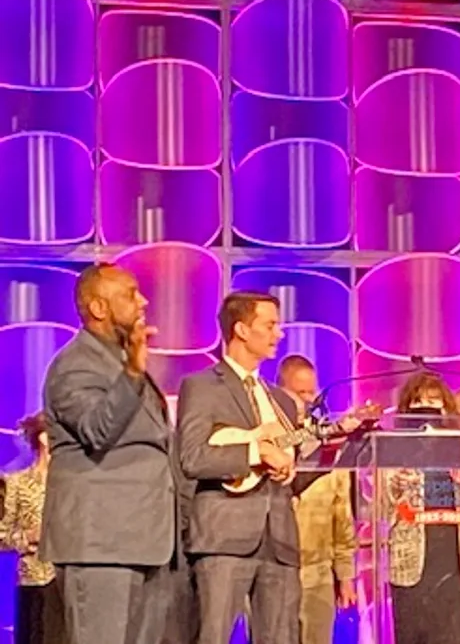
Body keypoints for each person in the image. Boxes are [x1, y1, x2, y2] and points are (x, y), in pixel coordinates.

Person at [40, 262, 181, 644]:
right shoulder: (73, 366)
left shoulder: (120, 362)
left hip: (146, 541)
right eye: (130, 294)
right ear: (99, 308)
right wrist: (133, 374)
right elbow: (96, 429)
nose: (143, 301)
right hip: (102, 544)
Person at [176, 291, 303, 644]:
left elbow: (292, 469)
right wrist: (254, 452)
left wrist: (340, 443)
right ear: (242, 330)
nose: (279, 334)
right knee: (214, 635)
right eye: (270, 325)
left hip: (279, 539)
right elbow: (193, 457)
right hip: (224, 537)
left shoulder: (281, 402)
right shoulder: (201, 386)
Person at [277, 355, 358, 644]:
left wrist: (345, 575)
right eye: (300, 393)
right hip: (274, 572)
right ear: (279, 393)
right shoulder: (266, 441)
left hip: (318, 575)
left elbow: (342, 514)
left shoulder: (329, 448)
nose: (308, 401)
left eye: (312, 392)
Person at [386, 371, 460, 644]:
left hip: (452, 561)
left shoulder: (459, 448)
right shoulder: (393, 447)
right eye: (418, 401)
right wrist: (397, 483)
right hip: (412, 562)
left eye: (434, 401)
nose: (426, 409)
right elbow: (379, 501)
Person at [0, 413, 65, 644]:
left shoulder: (71, 486)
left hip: (68, 584)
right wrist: (26, 537)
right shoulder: (15, 483)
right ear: (45, 438)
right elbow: (1, 536)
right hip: (35, 583)